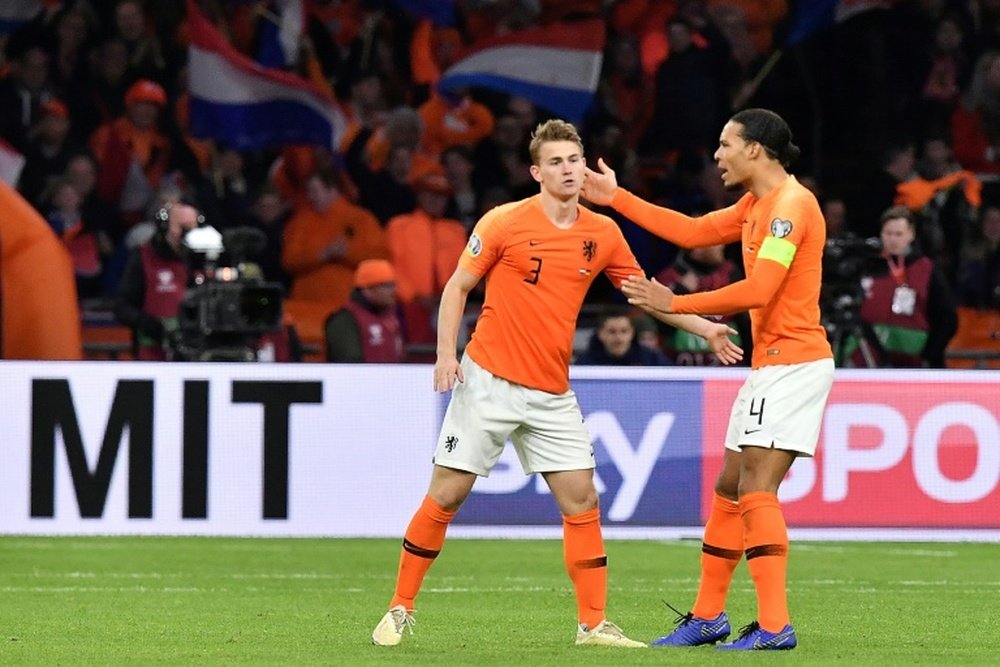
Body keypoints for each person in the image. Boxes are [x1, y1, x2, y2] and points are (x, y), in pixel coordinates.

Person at [370, 119, 743, 649]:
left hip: (550, 392)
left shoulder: (602, 232)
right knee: (447, 495)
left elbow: (645, 294)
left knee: (581, 499)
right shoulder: (504, 221)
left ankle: (592, 626)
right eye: (556, 162)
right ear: (536, 171)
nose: (568, 170)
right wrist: (445, 355)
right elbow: (457, 287)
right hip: (489, 382)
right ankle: (400, 608)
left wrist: (705, 327)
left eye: (574, 160)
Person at [582, 108, 835, 651]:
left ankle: (774, 628)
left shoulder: (792, 206)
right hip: (770, 365)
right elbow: (694, 232)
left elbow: (761, 288)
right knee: (728, 490)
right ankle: (708, 617)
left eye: (725, 144)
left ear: (756, 150)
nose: (716, 154)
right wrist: (616, 199)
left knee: (755, 491)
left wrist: (677, 303)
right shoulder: (756, 204)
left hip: (794, 364)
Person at [856, 205, 958, 368]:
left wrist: (929, 355)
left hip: (914, 362)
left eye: (898, 234)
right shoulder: (867, 267)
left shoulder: (926, 269)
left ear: (911, 235)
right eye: (888, 233)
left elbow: (947, 318)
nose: (893, 239)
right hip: (868, 360)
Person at [113, 197, 200, 360]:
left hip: (195, 357)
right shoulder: (143, 257)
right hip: (152, 357)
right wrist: (150, 324)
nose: (188, 233)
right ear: (166, 226)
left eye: (192, 227)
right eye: (182, 227)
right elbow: (122, 307)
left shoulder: (200, 259)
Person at [325, 259, 405, 363]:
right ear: (367, 290)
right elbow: (348, 362)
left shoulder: (392, 319)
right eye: (385, 286)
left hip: (392, 378)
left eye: (393, 285)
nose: (393, 291)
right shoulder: (345, 320)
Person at [574, 304, 671, 365]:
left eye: (624, 331)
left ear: (632, 333)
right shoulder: (585, 364)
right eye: (612, 332)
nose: (619, 338)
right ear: (600, 334)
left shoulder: (651, 359)